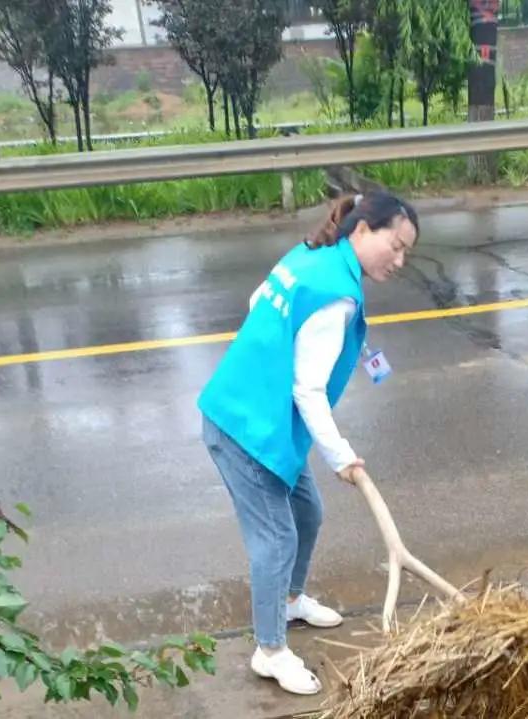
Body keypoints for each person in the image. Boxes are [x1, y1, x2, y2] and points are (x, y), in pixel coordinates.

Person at [198, 192, 420, 695]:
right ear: (363, 231)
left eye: (407, 251)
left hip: (267, 418)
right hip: (246, 428)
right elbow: (309, 389)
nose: (400, 260)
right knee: (276, 539)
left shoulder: (313, 254)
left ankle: (291, 600)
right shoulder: (335, 292)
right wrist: (341, 456)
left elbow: (259, 301)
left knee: (307, 513)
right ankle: (270, 650)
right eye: (396, 245)